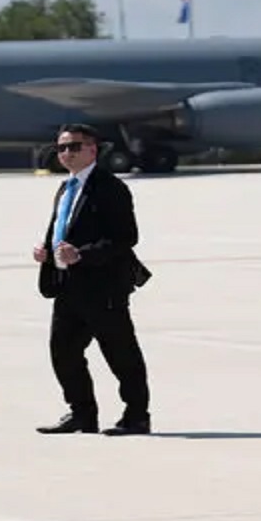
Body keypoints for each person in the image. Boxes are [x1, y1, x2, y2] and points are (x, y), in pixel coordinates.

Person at [33, 123, 154, 437]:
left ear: (92, 150)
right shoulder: (66, 187)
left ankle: (137, 416)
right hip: (67, 284)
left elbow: (125, 237)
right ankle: (82, 413)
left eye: (74, 146)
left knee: (120, 352)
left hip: (103, 286)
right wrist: (47, 250)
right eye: (61, 148)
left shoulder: (110, 187)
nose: (66, 153)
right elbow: (62, 228)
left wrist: (82, 254)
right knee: (63, 351)